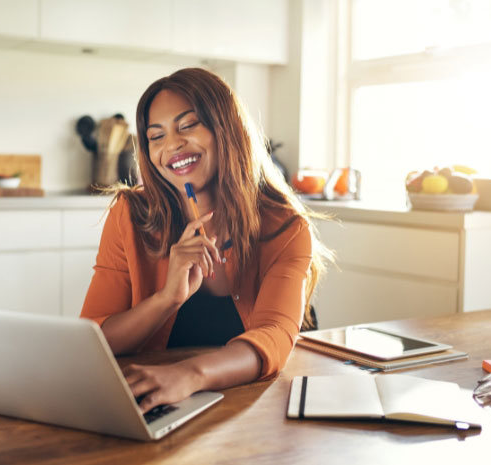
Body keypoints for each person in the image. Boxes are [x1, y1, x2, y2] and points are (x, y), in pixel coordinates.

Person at [81, 68, 330, 414]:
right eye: (156, 136)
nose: (171, 146)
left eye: (187, 126)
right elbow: (94, 340)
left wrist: (188, 376)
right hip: (154, 404)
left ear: (226, 130)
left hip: (251, 407)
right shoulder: (130, 214)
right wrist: (168, 298)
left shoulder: (285, 227)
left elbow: (274, 334)